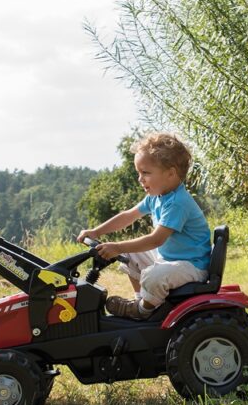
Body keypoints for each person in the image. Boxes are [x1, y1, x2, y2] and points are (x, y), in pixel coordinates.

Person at [78, 132, 211, 319]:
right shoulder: (157, 197)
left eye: (146, 173)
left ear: (171, 173)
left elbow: (156, 239)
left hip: (192, 266)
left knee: (154, 274)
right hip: (171, 259)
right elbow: (128, 216)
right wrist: (96, 231)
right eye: (139, 173)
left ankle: (142, 311)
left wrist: (116, 247)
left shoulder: (177, 203)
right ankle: (140, 299)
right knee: (130, 253)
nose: (140, 179)